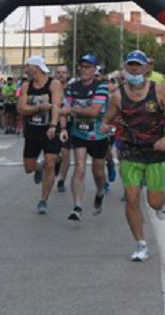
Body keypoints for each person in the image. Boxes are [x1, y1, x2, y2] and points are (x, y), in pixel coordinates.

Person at [99, 50, 165, 261]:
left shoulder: (159, 90)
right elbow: (108, 119)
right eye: (131, 65)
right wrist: (104, 126)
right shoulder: (118, 95)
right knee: (131, 196)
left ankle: (161, 205)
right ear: (125, 68)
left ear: (146, 67)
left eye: (138, 65)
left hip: (154, 150)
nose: (134, 69)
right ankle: (140, 244)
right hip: (129, 151)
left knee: (154, 202)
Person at [60, 54, 110, 220]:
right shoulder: (71, 88)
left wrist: (73, 110)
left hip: (98, 135)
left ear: (95, 70)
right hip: (79, 133)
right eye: (82, 66)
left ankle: (100, 192)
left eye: (88, 66)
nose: (84, 69)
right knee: (79, 168)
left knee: (98, 172)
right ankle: (77, 207)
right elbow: (63, 109)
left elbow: (94, 111)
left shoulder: (101, 87)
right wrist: (62, 128)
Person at [18, 55, 64, 214]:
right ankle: (39, 168)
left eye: (27, 66)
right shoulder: (26, 86)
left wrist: (53, 125)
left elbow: (56, 106)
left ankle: (43, 199)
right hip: (32, 131)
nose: (26, 69)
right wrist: (39, 108)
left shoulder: (54, 84)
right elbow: (21, 108)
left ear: (35, 67)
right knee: (28, 168)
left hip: (49, 130)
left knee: (50, 162)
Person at [53, 64, 73, 192]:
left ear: (67, 74)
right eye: (58, 72)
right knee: (54, 155)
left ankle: (61, 180)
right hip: (54, 123)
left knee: (65, 153)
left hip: (69, 124)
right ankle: (56, 163)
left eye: (63, 72)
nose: (61, 75)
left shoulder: (72, 89)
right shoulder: (52, 88)